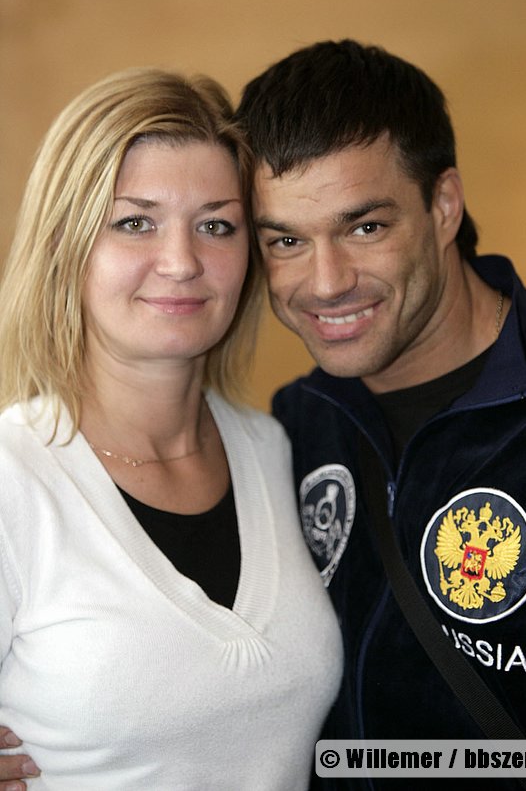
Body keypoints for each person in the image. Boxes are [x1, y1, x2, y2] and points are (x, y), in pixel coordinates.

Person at [236, 39, 526, 788]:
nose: (326, 282)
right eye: (287, 241)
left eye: (365, 227)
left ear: (443, 206)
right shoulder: (298, 423)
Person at [0, 67, 343, 789]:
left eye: (216, 225)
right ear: (66, 244)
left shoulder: (278, 449)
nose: (183, 262)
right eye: (136, 222)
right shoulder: (12, 478)